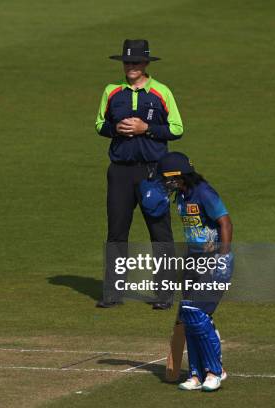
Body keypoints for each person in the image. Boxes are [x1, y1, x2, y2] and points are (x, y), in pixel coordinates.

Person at [95, 39, 183, 308]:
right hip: (120, 172)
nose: (130, 67)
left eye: (135, 62)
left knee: (159, 232)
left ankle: (164, 294)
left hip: (152, 172)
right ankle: (113, 293)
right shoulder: (112, 91)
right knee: (117, 232)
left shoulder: (161, 92)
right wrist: (115, 129)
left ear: (145, 64)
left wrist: (147, 129)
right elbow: (100, 124)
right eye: (127, 62)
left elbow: (177, 129)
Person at [157, 151, 234, 392]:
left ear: (179, 176)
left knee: (198, 315)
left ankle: (215, 371)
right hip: (194, 260)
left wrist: (222, 258)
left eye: (167, 179)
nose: (164, 183)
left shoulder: (204, 192)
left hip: (214, 260)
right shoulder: (181, 196)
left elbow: (225, 222)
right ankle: (196, 374)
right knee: (189, 317)